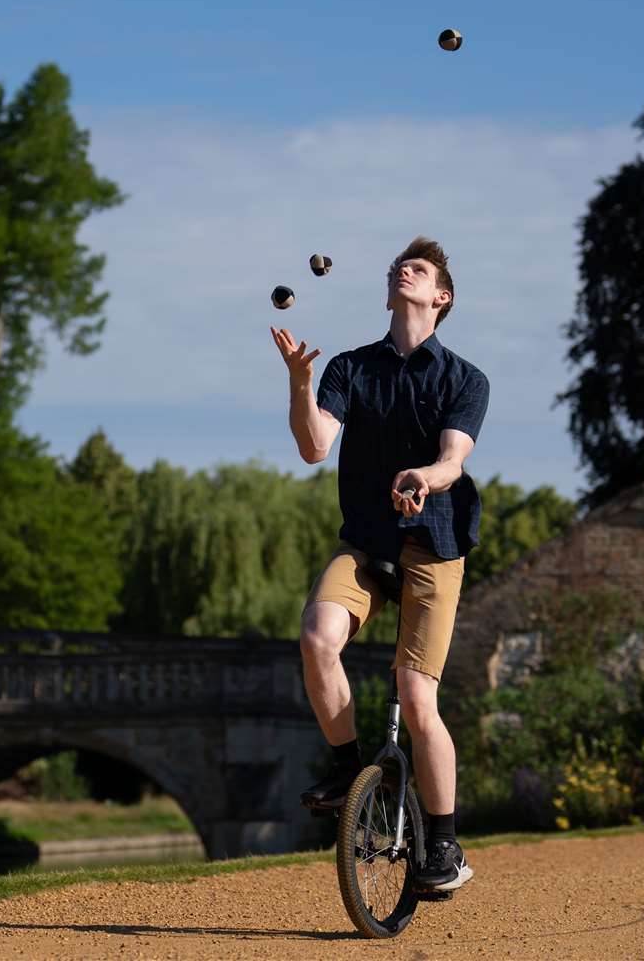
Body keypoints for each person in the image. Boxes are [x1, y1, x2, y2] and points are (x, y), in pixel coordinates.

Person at [268, 236, 489, 894]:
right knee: (316, 638)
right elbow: (313, 447)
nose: (403, 270)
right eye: (399, 266)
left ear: (440, 297)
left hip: (433, 545)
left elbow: (453, 461)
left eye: (417, 269)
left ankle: (444, 848)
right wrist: (302, 384)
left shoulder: (464, 380)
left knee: (418, 697)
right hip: (365, 542)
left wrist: (427, 474)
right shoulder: (349, 367)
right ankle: (346, 769)